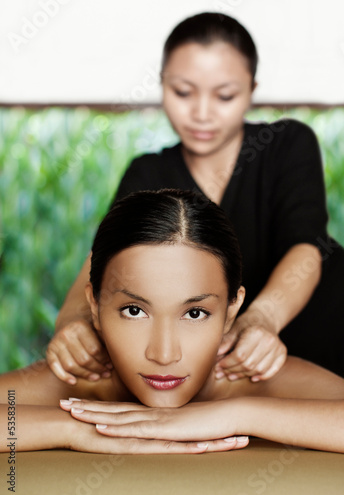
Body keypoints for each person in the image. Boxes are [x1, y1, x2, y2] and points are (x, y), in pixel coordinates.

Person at [46, 12, 344, 386]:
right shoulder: (148, 172)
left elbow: (306, 247)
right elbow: (104, 263)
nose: (202, 113)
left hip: (323, 337)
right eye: (183, 92)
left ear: (252, 90)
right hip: (223, 376)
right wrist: (72, 323)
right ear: (161, 84)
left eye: (225, 95)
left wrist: (261, 318)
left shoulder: (287, 143)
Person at [1, 189, 344, 454]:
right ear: (94, 306)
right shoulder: (81, 379)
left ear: (231, 311)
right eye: (134, 311)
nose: (164, 355)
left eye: (194, 313)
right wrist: (76, 430)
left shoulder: (252, 377)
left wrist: (236, 415)